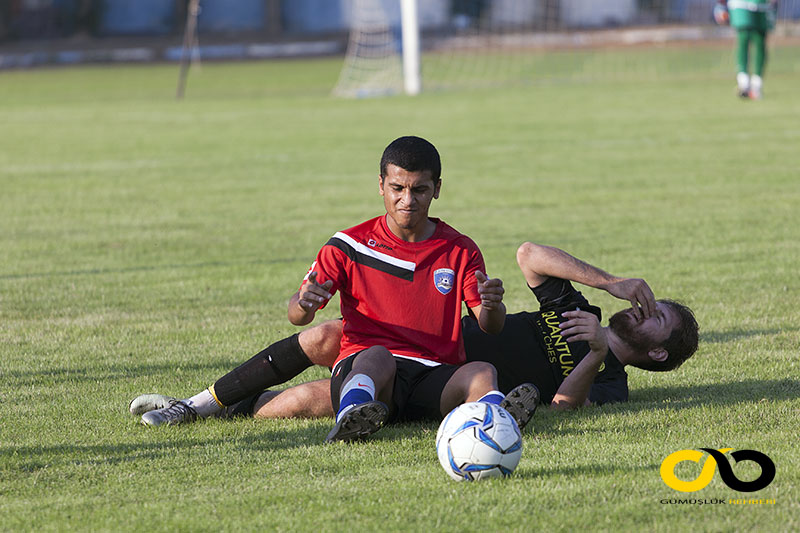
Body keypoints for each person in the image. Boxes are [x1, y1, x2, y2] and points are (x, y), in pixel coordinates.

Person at [136, 136, 539, 441]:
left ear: (437, 188)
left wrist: (492, 305)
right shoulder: (350, 244)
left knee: (482, 371)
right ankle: (350, 416)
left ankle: (496, 419)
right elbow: (297, 315)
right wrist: (304, 302)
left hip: (432, 374)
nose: (407, 199)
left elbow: (490, 328)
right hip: (367, 367)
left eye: (419, 189)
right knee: (360, 356)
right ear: (381, 185)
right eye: (398, 188)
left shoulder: (460, 248)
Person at [131, 242, 699, 422]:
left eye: (657, 317)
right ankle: (195, 406)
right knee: (328, 334)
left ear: (655, 350)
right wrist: (612, 282)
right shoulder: (580, 307)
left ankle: (240, 407)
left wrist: (595, 354)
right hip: (422, 340)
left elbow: (561, 406)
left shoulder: (613, 382)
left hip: (445, 383)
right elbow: (530, 254)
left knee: (307, 401)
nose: (647, 309)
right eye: (651, 304)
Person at [715, 0, 778, 99]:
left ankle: (757, 83)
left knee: (760, 39)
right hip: (740, 3)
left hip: (762, 4)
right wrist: (720, 7)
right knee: (743, 35)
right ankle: (743, 81)